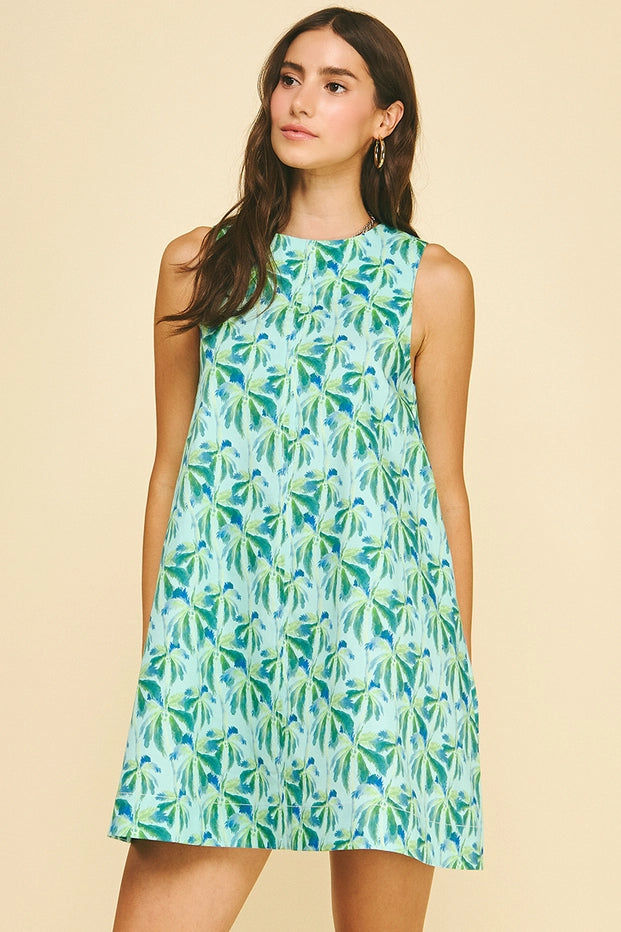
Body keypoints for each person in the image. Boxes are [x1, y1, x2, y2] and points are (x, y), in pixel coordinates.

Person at [108, 7, 483, 931]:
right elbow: (169, 470)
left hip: (382, 645)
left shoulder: (429, 282)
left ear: (385, 119)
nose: (300, 101)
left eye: (334, 84)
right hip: (225, 644)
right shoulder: (199, 265)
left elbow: (442, 486)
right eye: (288, 78)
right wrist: (169, 657)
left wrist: (449, 684)